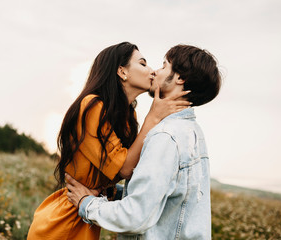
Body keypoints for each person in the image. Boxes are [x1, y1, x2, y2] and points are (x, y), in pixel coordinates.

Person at [27, 42, 191, 240]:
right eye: (142, 63)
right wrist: (153, 117)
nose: (152, 71)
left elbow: (131, 170)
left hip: (86, 213)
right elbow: (124, 169)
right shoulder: (92, 105)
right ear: (122, 72)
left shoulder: (129, 117)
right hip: (64, 221)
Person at [66, 44, 222, 240]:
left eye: (164, 66)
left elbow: (135, 216)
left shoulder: (165, 137)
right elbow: (171, 198)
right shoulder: (192, 133)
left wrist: (85, 202)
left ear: (180, 78)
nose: (154, 71)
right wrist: (116, 193)